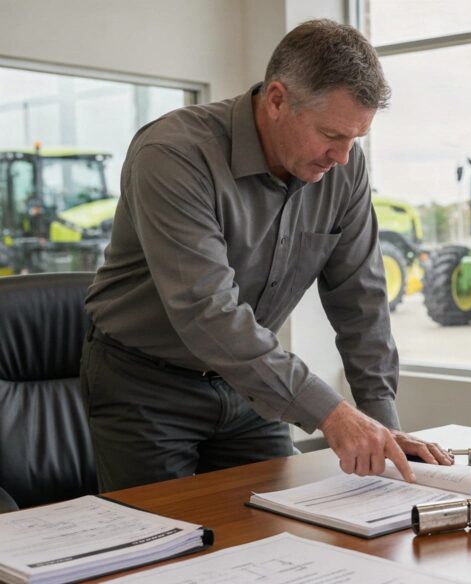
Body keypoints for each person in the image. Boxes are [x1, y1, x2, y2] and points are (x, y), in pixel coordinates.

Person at [81, 20, 451, 492]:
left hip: (249, 384)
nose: (341, 157)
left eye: (354, 139)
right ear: (277, 100)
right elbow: (207, 311)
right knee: (163, 544)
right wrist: (333, 414)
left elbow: (362, 301)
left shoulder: (344, 166)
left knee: (285, 524)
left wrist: (382, 426)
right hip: (145, 384)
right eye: (331, 134)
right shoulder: (174, 154)